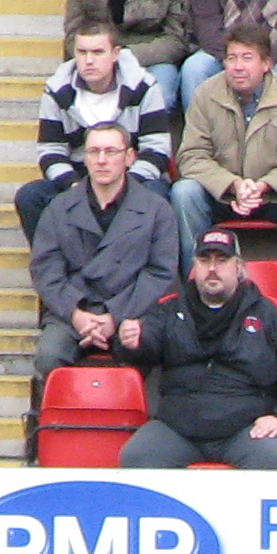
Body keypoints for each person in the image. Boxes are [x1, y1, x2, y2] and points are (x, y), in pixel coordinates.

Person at [118, 227, 277, 465]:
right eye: (204, 260)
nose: (212, 269)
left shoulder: (271, 313)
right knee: (136, 456)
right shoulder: (169, 309)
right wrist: (130, 342)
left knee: (270, 457)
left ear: (239, 267)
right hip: (178, 428)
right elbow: (143, 347)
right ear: (194, 267)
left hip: (246, 430)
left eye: (222, 260)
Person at [32, 122, 185, 377]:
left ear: (129, 157)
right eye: (93, 152)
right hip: (73, 313)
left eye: (111, 152)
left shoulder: (157, 210)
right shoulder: (59, 208)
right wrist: (76, 315)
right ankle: (51, 416)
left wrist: (115, 316)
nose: (101, 160)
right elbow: (46, 269)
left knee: (142, 349)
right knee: (49, 355)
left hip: (133, 311)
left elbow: (161, 273)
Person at [171, 25, 277, 266]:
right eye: (232, 58)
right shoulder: (205, 94)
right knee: (184, 192)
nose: (238, 66)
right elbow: (191, 156)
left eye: (247, 58)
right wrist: (233, 185)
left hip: (275, 197)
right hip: (221, 197)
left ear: (266, 64)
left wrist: (265, 186)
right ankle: (196, 288)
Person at [22, 23, 176, 243]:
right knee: (31, 196)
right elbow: (50, 150)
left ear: (115, 54)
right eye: (82, 52)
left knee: (157, 194)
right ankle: (52, 270)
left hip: (131, 176)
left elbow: (157, 148)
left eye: (97, 52)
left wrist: (124, 185)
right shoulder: (57, 90)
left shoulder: (144, 87)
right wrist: (75, 186)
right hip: (79, 176)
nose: (89, 60)